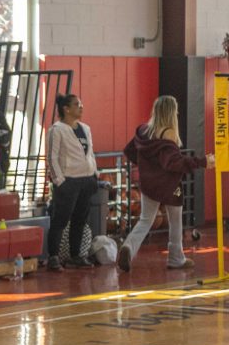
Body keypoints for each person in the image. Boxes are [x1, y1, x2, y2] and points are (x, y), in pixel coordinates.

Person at [119, 96, 215, 272]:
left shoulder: (143, 131)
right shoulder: (169, 133)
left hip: (148, 184)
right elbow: (174, 163)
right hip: (169, 185)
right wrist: (202, 162)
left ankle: (128, 247)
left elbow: (129, 151)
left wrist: (148, 168)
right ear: (171, 112)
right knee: (175, 221)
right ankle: (175, 258)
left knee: (145, 220)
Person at [45, 94, 98, 271]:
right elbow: (52, 157)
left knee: (80, 220)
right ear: (66, 109)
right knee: (60, 220)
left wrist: (94, 175)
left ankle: (75, 256)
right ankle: (53, 257)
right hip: (68, 181)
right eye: (77, 104)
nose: (81, 106)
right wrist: (59, 181)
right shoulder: (56, 129)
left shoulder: (86, 128)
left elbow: (90, 153)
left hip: (86, 179)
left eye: (81, 103)